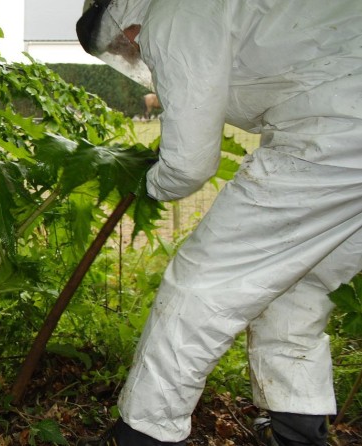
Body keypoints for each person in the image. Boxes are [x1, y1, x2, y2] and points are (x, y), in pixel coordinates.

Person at [75, 1, 362, 445]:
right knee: (298, 286)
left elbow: (190, 162)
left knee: (201, 285)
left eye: (121, 44)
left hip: (337, 130)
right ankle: (297, 431)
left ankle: (143, 434)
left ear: (125, 23)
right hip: (341, 125)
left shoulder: (171, 15)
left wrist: (150, 183)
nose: (130, 52)